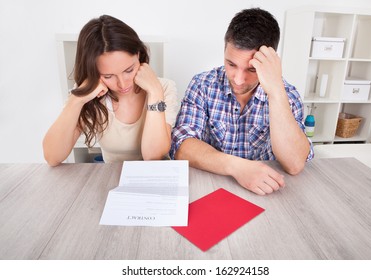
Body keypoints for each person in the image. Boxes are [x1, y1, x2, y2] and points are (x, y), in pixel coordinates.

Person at [170, 8, 314, 195]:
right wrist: (238, 167)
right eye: (231, 64)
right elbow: (181, 145)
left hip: (267, 191)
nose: (238, 79)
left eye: (251, 70)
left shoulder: (287, 94)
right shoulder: (202, 85)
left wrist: (275, 91)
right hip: (212, 186)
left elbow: (295, 164)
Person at [43, 15, 178, 166]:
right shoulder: (91, 94)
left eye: (129, 70)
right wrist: (77, 99)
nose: (122, 84)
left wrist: (154, 92)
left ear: (138, 55)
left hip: (157, 178)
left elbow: (153, 157)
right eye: (108, 76)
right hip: (112, 179)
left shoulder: (163, 88)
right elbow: (52, 156)